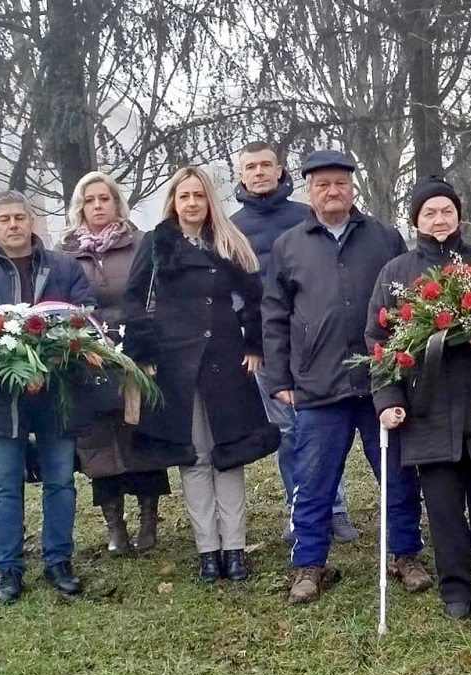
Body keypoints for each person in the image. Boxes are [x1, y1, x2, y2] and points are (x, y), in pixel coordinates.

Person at [262, 149, 430, 604]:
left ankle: (405, 555)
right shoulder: (288, 246)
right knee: (312, 480)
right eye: (322, 184)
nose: (332, 191)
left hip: (380, 382)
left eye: (340, 183)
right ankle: (310, 565)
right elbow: (275, 315)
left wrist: (403, 368)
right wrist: (280, 376)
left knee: (397, 475)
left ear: (352, 187)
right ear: (308, 191)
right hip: (317, 385)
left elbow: (408, 302)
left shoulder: (383, 236)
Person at [367, 176, 471, 621]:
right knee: (443, 507)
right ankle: (457, 591)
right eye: (429, 212)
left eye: (447, 211)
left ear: (459, 214)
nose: (439, 219)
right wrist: (387, 400)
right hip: (427, 409)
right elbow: (379, 341)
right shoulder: (396, 273)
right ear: (415, 219)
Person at [123, 166, 280, 583]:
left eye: (198, 196)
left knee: (228, 455)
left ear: (209, 200)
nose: (192, 203)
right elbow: (134, 299)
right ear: (173, 201)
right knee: (194, 457)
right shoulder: (157, 243)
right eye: (184, 196)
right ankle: (208, 549)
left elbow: (255, 298)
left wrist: (253, 345)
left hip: (225, 359)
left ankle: (235, 548)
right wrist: (144, 352)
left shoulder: (227, 240)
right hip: (176, 363)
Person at [0, 190, 97, 603]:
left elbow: (85, 314)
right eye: (5, 220)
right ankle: (7, 568)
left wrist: (49, 361)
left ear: (32, 222)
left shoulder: (63, 266)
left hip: (57, 392)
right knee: (2, 485)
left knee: (59, 481)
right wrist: (9, 369)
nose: (14, 226)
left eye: (20, 218)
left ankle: (58, 560)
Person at [231, 140, 358, 544]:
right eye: (250, 166)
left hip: (319, 346)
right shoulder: (231, 227)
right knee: (289, 433)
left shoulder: (308, 216)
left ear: (281, 170)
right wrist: (250, 341)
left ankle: (334, 509)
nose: (259, 172)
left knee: (323, 431)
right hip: (267, 346)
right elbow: (236, 291)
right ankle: (299, 508)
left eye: (266, 164)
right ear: (240, 174)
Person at [58, 171, 171, 556]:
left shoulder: (140, 243)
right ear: (80, 207)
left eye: (104, 199)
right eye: (89, 200)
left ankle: (148, 520)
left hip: (134, 351)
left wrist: (142, 340)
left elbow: (153, 295)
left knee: (138, 431)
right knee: (98, 440)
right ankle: (114, 525)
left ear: (116, 203)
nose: (98, 206)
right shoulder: (66, 253)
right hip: (87, 356)